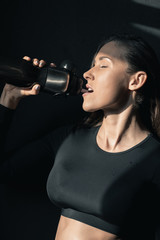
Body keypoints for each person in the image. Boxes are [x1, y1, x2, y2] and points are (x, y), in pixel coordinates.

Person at [0, 33, 160, 240]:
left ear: (136, 80)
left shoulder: (154, 160)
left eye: (102, 65)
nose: (87, 73)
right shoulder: (69, 138)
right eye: (91, 65)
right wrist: (8, 99)